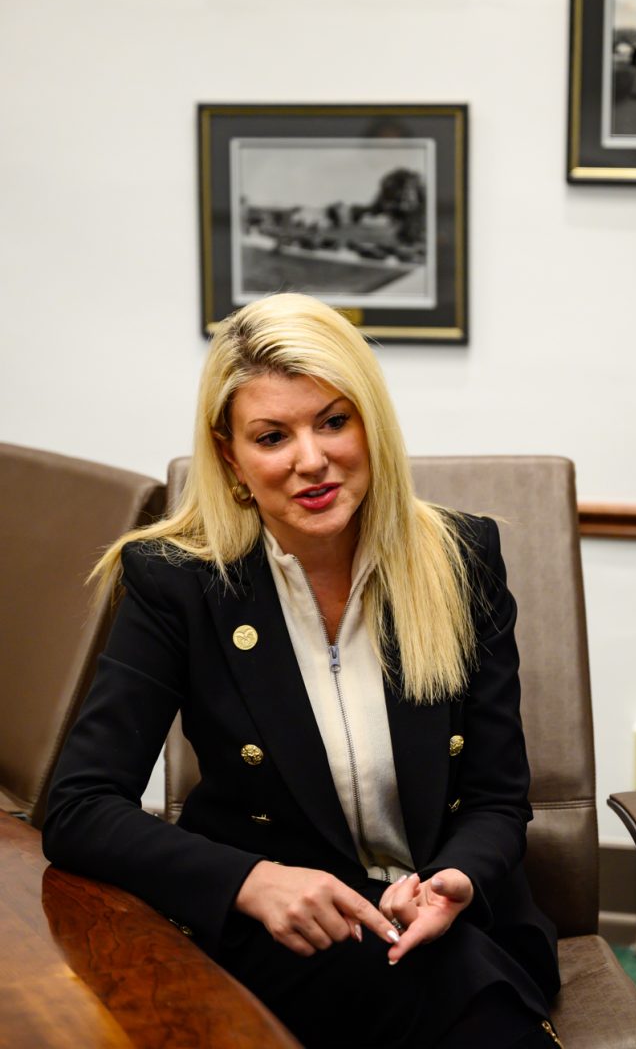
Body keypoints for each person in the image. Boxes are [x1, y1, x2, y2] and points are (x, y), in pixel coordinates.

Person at [43, 294, 561, 1048]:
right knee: (465, 1004)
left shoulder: (460, 558)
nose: (310, 460)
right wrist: (250, 882)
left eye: (333, 421)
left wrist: (458, 878)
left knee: (448, 975)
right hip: (286, 935)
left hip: (442, 921)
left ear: (371, 424)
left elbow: (495, 797)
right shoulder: (178, 582)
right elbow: (81, 807)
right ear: (231, 458)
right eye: (271, 435)